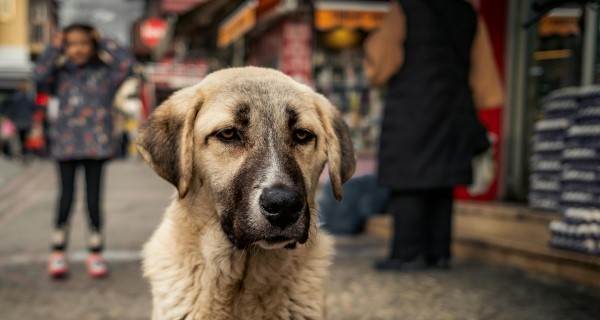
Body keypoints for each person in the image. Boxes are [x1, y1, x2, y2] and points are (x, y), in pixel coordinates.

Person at [364, 0, 503, 270]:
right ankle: (439, 254)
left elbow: (381, 62)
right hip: (454, 106)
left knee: (407, 181)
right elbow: (482, 70)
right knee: (443, 182)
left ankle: (406, 254)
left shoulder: (405, 8)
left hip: (411, 108)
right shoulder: (467, 13)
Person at [33, 23, 134, 278]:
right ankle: (58, 251)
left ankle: (96, 251)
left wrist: (103, 41)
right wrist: (54, 48)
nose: (78, 49)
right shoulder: (60, 74)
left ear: (93, 45)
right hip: (65, 145)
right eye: (72, 44)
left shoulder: (106, 74)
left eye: (84, 43)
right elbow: (38, 76)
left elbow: (127, 63)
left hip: (96, 146)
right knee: (65, 198)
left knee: (93, 200)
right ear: (65, 47)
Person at [0, 81, 37, 159]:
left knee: (15, 139)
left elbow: (7, 107)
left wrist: (7, 116)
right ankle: (24, 153)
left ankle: (15, 153)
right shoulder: (30, 98)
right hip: (27, 121)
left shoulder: (14, 97)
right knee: (24, 138)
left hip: (16, 121)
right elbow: (34, 108)